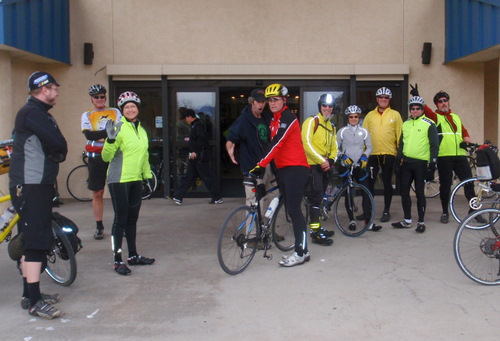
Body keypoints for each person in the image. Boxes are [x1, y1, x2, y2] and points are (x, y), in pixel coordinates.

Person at [9, 71, 67, 319]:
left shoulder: (37, 113)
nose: (57, 91)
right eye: (55, 87)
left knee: (31, 238)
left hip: (35, 184)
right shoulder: (33, 113)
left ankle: (29, 294)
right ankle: (34, 302)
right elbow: (58, 145)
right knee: (35, 241)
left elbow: (56, 147)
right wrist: (57, 152)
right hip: (31, 186)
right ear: (44, 89)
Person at [249, 83, 310, 267]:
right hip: (283, 169)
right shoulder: (273, 119)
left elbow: (277, 143)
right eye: (269, 100)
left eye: (276, 99)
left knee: (294, 211)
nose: (272, 103)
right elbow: (272, 148)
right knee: (280, 202)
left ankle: (302, 252)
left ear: (284, 100)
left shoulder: (288, 117)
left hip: (296, 168)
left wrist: (261, 165)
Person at [410, 84, 482, 224]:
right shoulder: (435, 117)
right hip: (444, 156)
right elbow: (425, 110)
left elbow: (464, 132)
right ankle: (445, 212)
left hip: (460, 155)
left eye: (445, 100)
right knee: (445, 185)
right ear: (437, 104)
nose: (443, 103)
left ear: (448, 102)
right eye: (440, 101)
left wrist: (466, 140)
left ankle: (474, 210)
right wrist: (417, 96)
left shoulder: (455, 116)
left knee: (468, 183)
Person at [101, 91, 155, 275]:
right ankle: (117, 260)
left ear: (137, 108)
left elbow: (145, 155)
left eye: (133, 106)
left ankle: (133, 255)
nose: (130, 109)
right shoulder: (118, 127)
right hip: (119, 179)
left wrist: (147, 176)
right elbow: (106, 156)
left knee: (132, 219)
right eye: (126, 107)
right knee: (120, 220)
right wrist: (110, 139)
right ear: (122, 110)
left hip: (135, 179)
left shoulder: (141, 130)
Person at [391, 96, 439, 233]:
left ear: (422, 109)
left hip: (421, 163)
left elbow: (434, 145)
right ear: (410, 110)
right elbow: (402, 144)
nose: (415, 111)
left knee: (419, 193)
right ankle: (407, 220)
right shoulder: (405, 124)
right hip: (406, 162)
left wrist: (433, 163)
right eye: (413, 109)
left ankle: (421, 221)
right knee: (404, 192)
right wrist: (397, 160)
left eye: (418, 108)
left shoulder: (429, 123)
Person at [81, 84, 121, 240]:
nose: (99, 99)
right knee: (98, 192)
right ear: (91, 98)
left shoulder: (115, 112)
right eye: (96, 97)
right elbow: (89, 136)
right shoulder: (87, 115)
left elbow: (118, 132)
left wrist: (102, 135)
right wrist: (108, 134)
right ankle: (99, 226)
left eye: (102, 96)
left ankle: (120, 224)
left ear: (105, 97)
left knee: (117, 191)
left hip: (113, 155)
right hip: (96, 156)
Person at [225, 89, 275, 209]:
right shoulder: (243, 120)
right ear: (252, 102)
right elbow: (230, 138)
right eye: (258, 102)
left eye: (263, 101)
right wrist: (229, 149)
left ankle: (265, 225)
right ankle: (253, 228)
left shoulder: (266, 118)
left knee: (271, 196)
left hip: (268, 166)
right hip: (252, 167)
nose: (261, 104)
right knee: (253, 202)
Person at [337, 105, 381, 232]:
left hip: (360, 166)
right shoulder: (342, 131)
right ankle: (351, 220)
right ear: (348, 118)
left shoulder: (364, 131)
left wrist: (365, 156)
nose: (354, 119)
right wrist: (343, 155)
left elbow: (370, 147)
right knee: (349, 193)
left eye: (356, 116)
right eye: (351, 117)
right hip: (347, 166)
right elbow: (336, 148)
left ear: (359, 117)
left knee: (366, 193)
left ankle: (369, 222)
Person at [301, 93, 337, 246]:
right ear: (319, 107)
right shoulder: (312, 122)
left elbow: (334, 147)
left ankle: (318, 228)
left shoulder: (331, 127)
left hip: (325, 167)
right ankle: (315, 233)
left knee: (320, 199)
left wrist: (330, 160)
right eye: (324, 105)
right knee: (315, 200)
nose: (327, 108)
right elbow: (306, 143)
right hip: (313, 167)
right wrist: (321, 160)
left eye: (330, 106)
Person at [362, 87, 403, 223]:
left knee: (386, 183)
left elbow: (400, 135)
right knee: (370, 183)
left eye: (386, 98)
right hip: (372, 153)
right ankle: (368, 210)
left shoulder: (395, 115)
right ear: (377, 99)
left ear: (389, 100)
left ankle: (386, 210)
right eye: (381, 97)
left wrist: (400, 154)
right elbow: (364, 135)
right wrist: (363, 153)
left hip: (389, 153)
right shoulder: (369, 115)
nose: (383, 100)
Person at [169, 109, 223, 205]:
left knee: (207, 177)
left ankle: (217, 197)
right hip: (195, 157)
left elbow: (201, 140)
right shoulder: (195, 125)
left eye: (186, 118)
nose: (185, 120)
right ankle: (178, 197)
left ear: (190, 116)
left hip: (199, 157)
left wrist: (195, 152)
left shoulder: (198, 126)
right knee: (189, 177)